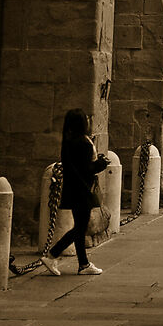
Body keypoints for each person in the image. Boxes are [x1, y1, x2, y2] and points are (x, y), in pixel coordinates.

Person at [36, 107, 111, 276]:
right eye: (86, 119)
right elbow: (86, 169)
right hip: (83, 189)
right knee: (80, 228)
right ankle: (53, 255)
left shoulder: (69, 141)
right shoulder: (83, 143)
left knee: (80, 227)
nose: (89, 121)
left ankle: (83, 264)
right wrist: (101, 164)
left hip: (74, 188)